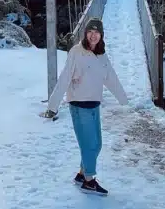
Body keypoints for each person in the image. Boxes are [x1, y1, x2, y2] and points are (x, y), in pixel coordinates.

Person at [41, 18, 128, 196]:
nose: (93, 35)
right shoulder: (76, 52)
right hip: (79, 105)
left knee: (97, 145)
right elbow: (65, 77)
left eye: (96, 32)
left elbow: (110, 77)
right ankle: (89, 181)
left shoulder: (102, 55)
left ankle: (82, 174)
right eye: (90, 31)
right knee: (89, 145)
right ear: (85, 33)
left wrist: (123, 99)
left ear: (101, 35)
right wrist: (53, 105)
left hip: (94, 104)